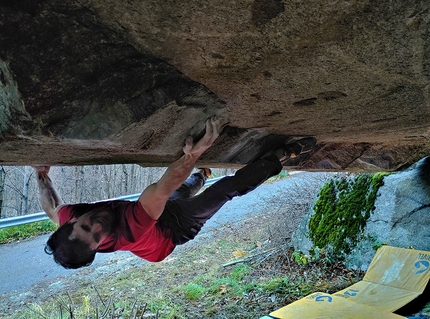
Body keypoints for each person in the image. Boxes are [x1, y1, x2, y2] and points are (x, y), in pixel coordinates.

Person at [33, 116, 312, 269]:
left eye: (86, 226)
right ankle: (282, 156)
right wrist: (195, 152)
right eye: (97, 237)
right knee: (224, 191)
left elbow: (51, 208)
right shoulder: (131, 228)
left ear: (71, 222)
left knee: (185, 188)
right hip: (172, 233)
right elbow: (161, 187)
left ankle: (202, 173)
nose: (97, 226)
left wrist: (40, 174)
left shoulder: (68, 218)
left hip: (162, 212)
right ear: (98, 247)